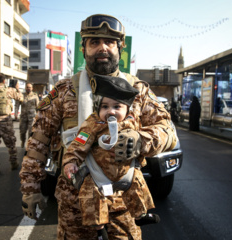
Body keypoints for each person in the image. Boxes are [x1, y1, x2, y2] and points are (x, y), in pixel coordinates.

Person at [19, 14, 177, 240]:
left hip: (125, 200)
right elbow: (38, 142)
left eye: (109, 42)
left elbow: (167, 130)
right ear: (84, 49)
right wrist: (30, 188)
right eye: (94, 42)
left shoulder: (137, 90)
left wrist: (141, 139)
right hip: (75, 202)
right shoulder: (64, 91)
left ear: (120, 48)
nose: (102, 47)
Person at [63, 74, 160, 236]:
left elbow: (151, 137)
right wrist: (71, 161)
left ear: (127, 109)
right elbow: (79, 143)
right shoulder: (93, 124)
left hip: (126, 173)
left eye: (117, 107)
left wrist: (141, 140)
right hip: (97, 174)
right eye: (105, 107)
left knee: (138, 185)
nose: (110, 112)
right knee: (91, 194)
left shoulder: (133, 122)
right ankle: (97, 226)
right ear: (97, 108)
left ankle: (140, 215)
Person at [19, 83, 39, 148]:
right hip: (23, 117)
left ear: (32, 88)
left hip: (32, 117)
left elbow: (38, 107)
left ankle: (28, 145)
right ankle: (23, 141)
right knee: (22, 131)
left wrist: (38, 116)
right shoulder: (22, 95)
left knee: (30, 132)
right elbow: (17, 105)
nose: (28, 88)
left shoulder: (35, 96)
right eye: (27, 87)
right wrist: (16, 113)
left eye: (30, 87)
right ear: (25, 88)